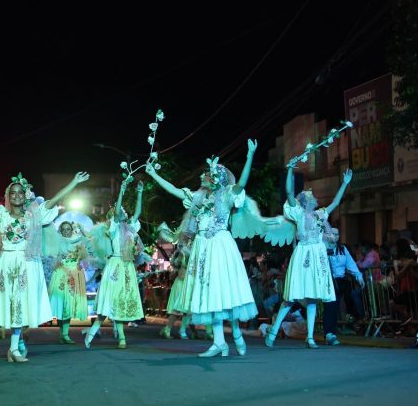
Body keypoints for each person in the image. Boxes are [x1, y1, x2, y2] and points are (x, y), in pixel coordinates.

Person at [0, 170, 89, 362]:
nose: (16, 195)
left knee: (22, 303)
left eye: (20, 192)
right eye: (13, 193)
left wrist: (74, 182)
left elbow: (54, 200)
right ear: (8, 196)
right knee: (12, 304)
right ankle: (16, 346)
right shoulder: (0, 214)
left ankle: (15, 346)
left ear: (26, 196)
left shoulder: (34, 215)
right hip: (7, 264)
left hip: (27, 264)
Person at [146, 140, 259, 357]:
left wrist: (250, 155)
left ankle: (236, 331)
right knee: (210, 292)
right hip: (203, 247)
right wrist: (153, 175)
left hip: (220, 245)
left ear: (217, 179)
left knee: (224, 289)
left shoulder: (227, 195)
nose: (203, 177)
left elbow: (242, 183)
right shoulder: (199, 197)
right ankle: (219, 342)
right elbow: (174, 190)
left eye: (208, 175)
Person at [265, 164, 353, 349]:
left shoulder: (320, 214)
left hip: (317, 257)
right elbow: (289, 191)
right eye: (311, 196)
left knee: (312, 297)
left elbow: (336, 203)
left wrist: (345, 183)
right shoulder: (298, 213)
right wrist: (290, 170)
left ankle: (311, 337)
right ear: (305, 202)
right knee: (292, 297)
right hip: (303, 254)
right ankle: (273, 331)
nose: (314, 197)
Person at [84, 178, 144, 349]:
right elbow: (117, 210)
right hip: (116, 265)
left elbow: (138, 213)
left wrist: (140, 193)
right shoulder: (113, 228)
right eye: (119, 211)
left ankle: (112, 335)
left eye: (124, 211)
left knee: (121, 300)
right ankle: (112, 335)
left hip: (127, 266)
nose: (123, 212)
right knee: (113, 300)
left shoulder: (130, 227)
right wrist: (122, 190)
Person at [48, 221, 89, 344]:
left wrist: (80, 264)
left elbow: (85, 254)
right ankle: (63, 334)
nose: (66, 231)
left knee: (69, 304)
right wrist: (58, 263)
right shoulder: (58, 242)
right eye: (64, 229)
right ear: (60, 231)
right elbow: (54, 257)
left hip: (75, 274)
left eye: (68, 229)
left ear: (72, 230)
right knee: (62, 304)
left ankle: (64, 334)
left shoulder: (78, 241)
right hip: (61, 274)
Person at [322, 227, 364, 346]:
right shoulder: (322, 247)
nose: (335, 236)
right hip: (328, 281)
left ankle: (332, 332)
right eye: (332, 234)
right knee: (330, 306)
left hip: (340, 281)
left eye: (337, 234)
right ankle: (329, 333)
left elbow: (350, 263)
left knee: (336, 307)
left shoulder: (342, 249)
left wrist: (358, 275)